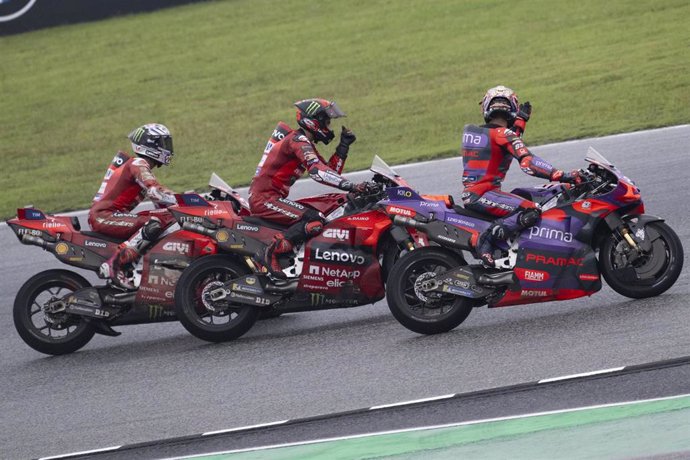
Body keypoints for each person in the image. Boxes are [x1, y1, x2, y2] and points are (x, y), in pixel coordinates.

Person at [460, 85, 581, 267]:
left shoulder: (473, 132)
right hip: (484, 194)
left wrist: (520, 123)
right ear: (512, 108)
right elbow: (527, 162)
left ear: (486, 107)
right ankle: (486, 240)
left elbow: (502, 141)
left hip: (475, 194)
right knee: (531, 210)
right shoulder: (503, 135)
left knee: (523, 194)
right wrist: (561, 175)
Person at [249, 98, 369, 278]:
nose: (329, 127)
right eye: (327, 122)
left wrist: (343, 146)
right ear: (314, 121)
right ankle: (270, 253)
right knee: (314, 220)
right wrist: (351, 186)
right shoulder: (297, 141)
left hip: (272, 198)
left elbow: (328, 171)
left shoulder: (304, 142)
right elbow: (318, 172)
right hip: (265, 199)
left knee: (326, 212)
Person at [89, 123, 177, 289]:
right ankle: (115, 263)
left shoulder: (138, 165)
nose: (168, 148)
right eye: (163, 144)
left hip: (109, 215)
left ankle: (140, 266)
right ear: (150, 146)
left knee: (164, 217)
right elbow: (154, 190)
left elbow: (161, 205)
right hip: (104, 216)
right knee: (154, 223)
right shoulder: (138, 163)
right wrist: (184, 200)